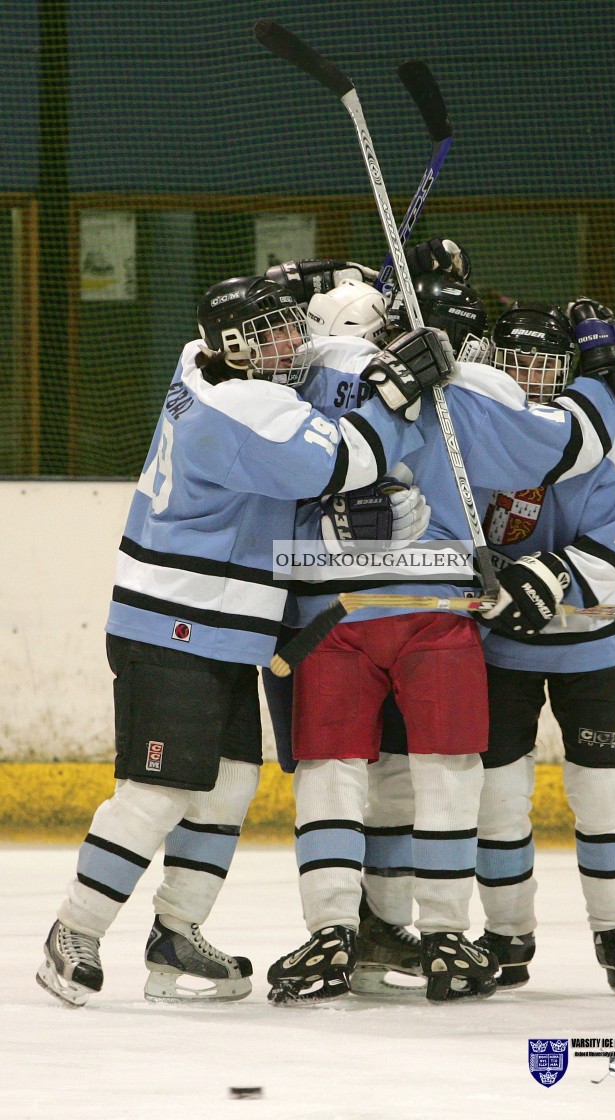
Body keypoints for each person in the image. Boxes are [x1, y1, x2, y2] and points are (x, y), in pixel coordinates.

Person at [35, 274, 450, 1007]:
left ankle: (176, 933)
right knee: (159, 787)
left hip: (223, 625)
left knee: (227, 782)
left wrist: (327, 281)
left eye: (290, 324)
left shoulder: (198, 358)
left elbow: (270, 496)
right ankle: (75, 930)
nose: (290, 343)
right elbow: (340, 461)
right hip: (174, 623)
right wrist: (394, 392)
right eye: (271, 335)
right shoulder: (237, 406)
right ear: (233, 348)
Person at [261, 270, 615, 1005]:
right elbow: (574, 445)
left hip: (324, 607)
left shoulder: (324, 362)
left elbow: (263, 372)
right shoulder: (476, 390)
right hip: (433, 611)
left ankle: (333, 931)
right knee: (441, 772)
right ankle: (441, 935)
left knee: (331, 772)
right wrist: (604, 377)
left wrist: (331, 288)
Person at [473, 299, 615, 998]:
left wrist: (550, 573)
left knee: (606, 795)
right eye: (516, 359)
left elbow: (609, 552)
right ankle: (505, 933)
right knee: (495, 800)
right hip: (499, 652)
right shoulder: (476, 430)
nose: (528, 375)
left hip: (589, 647)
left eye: (545, 362)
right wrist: (474, 569)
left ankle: (614, 931)